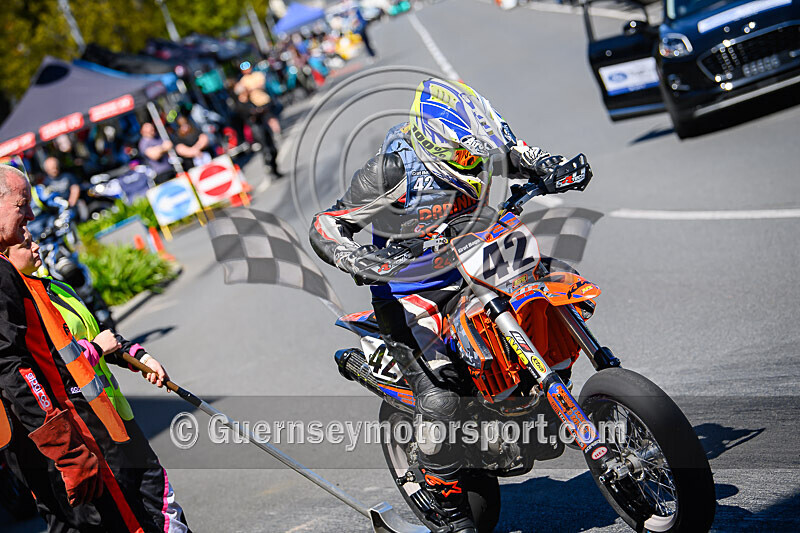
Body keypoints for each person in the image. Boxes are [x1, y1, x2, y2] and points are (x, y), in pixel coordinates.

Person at [309, 78, 570, 532]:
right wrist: (353, 255)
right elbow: (328, 222)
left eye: (479, 156)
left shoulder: (470, 147)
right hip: (408, 290)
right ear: (434, 145)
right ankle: (452, 518)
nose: (478, 167)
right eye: (468, 159)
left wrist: (550, 164)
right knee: (442, 402)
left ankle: (544, 402)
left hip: (474, 264)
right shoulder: (391, 171)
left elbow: (512, 153)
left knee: (551, 290)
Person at [0, 162, 179, 532]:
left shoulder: (47, 286)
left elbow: (90, 336)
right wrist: (67, 451)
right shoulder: (8, 279)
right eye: (22, 206)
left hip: (98, 425)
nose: (32, 222)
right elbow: (17, 368)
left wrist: (134, 354)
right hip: (65, 438)